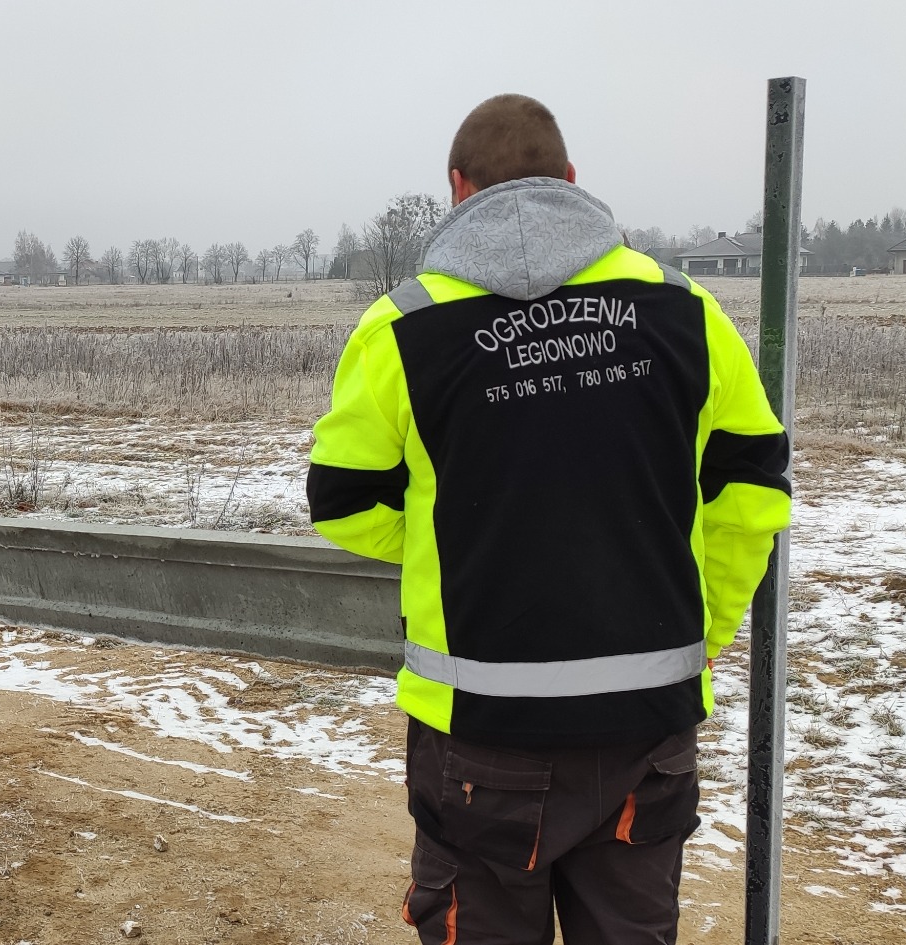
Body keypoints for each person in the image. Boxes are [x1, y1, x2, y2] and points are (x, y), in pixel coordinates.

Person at [307, 95, 791, 944]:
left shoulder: (403, 331)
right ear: (571, 181)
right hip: (647, 734)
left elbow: (343, 501)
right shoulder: (689, 315)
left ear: (457, 189)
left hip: (477, 742)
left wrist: (456, 537)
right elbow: (752, 493)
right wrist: (702, 625)